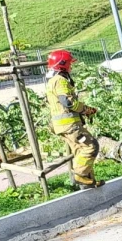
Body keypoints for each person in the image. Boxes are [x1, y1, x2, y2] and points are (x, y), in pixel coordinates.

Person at [45, 50, 102, 190]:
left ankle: (89, 183)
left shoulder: (53, 80)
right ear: (63, 64)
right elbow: (68, 102)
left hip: (64, 126)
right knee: (91, 146)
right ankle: (80, 175)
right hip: (70, 126)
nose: (71, 66)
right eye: (70, 63)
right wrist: (86, 110)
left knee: (80, 151)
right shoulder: (60, 81)